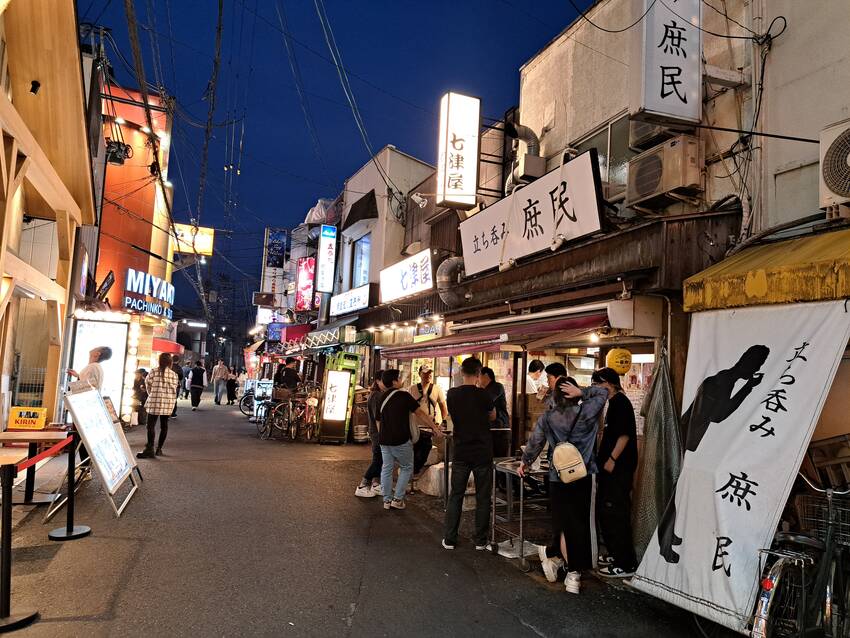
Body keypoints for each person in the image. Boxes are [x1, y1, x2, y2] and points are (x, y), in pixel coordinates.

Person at [656, 345, 768, 564]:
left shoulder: (728, 380)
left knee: (679, 494)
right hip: (682, 444)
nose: (756, 368)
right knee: (674, 496)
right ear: (745, 360)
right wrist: (749, 388)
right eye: (755, 363)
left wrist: (747, 387)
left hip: (689, 444)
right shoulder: (721, 381)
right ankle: (664, 544)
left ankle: (669, 535)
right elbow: (718, 416)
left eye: (760, 364)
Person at [519, 376, 608, 593]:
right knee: (579, 523)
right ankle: (574, 574)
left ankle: (566, 566)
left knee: (562, 523)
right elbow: (603, 393)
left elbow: (535, 442)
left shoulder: (548, 417)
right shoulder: (587, 412)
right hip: (584, 476)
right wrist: (583, 392)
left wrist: (525, 463)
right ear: (572, 392)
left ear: (555, 396)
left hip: (558, 478)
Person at [443, 357, 496, 551]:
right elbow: (493, 416)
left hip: (461, 451)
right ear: (478, 374)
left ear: (462, 373)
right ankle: (480, 541)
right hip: (482, 452)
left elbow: (453, 415)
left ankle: (450, 539)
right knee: (483, 497)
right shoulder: (484, 395)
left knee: (456, 494)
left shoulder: (452, 394)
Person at [593, 367, 639, 578]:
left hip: (618, 468)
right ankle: (614, 553)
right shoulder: (612, 402)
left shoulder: (621, 402)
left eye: (598, 384)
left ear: (609, 383)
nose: (596, 388)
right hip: (610, 468)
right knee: (607, 512)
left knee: (616, 512)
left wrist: (612, 459)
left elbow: (625, 435)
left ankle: (626, 563)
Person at [377, 369, 441, 510]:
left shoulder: (381, 397)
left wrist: (381, 436)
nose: (401, 380)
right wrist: (435, 428)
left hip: (384, 440)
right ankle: (398, 499)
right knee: (406, 467)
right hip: (401, 440)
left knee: (386, 469)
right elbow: (421, 413)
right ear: (394, 381)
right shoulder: (404, 396)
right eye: (399, 378)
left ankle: (387, 501)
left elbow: (378, 421)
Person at [408, 364, 448, 476]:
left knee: (427, 449)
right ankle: (413, 473)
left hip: (432, 426)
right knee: (416, 450)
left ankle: (416, 472)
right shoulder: (412, 389)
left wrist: (443, 422)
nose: (428, 375)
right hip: (416, 426)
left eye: (430, 373)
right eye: (425, 373)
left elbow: (443, 406)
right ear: (419, 374)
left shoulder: (437, 388)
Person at [137, 353, 179, 458]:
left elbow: (148, 386)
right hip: (168, 403)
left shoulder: (153, 372)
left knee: (150, 426)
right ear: (170, 362)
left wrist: (153, 394)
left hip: (155, 402)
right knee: (164, 426)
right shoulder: (174, 375)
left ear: (159, 361)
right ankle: (159, 449)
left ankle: (149, 448)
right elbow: (175, 389)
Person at [355, 378, 386, 498]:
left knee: (379, 459)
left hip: (377, 432)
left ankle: (375, 484)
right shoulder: (376, 396)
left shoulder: (377, 394)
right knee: (378, 460)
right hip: (377, 433)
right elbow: (377, 417)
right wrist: (381, 434)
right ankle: (362, 486)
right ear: (378, 381)